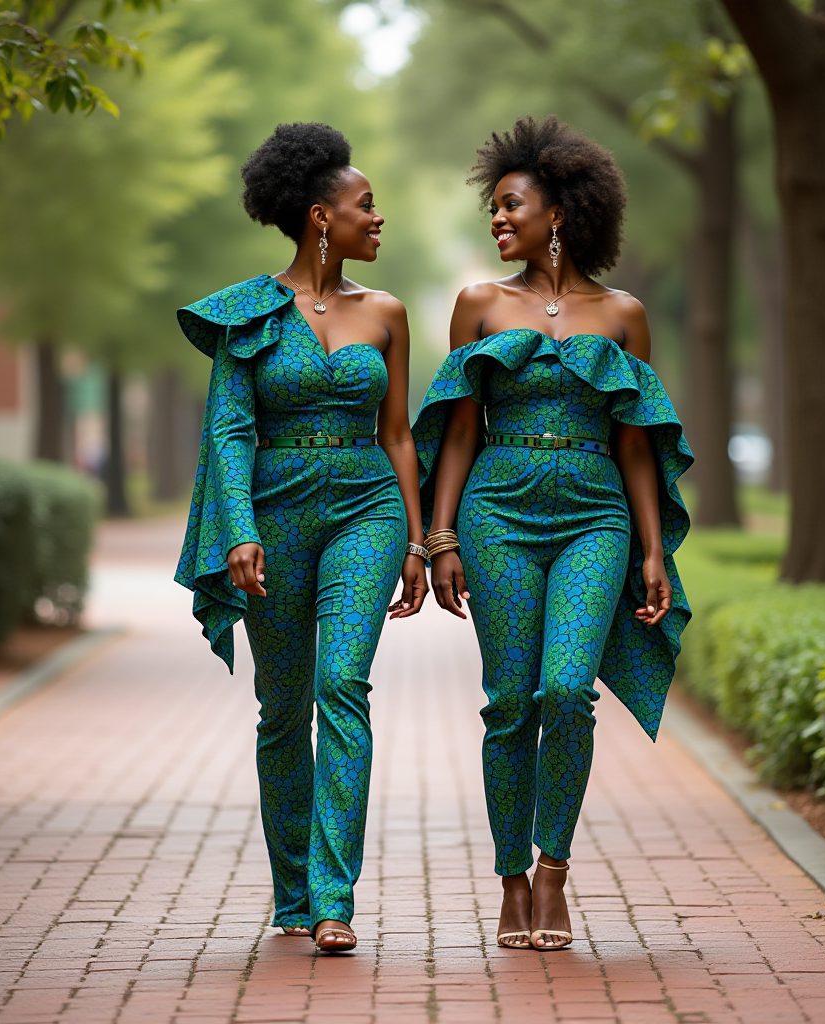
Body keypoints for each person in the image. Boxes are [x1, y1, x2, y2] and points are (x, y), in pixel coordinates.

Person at [412, 116, 693, 951]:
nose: (497, 221)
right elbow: (458, 430)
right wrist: (441, 535)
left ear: (560, 212)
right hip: (497, 511)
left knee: (567, 691)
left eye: (511, 206)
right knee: (509, 700)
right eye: (492, 210)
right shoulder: (479, 305)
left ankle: (553, 873)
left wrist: (651, 550)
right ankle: (508, 880)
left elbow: (637, 442)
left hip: (596, 515)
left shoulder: (625, 316)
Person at [175, 122, 428, 953]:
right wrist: (238, 530)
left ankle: (332, 899)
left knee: (343, 688)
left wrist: (420, 540)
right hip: (273, 515)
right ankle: (291, 892)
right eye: (366, 205)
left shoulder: (386, 313)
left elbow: (399, 436)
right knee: (283, 711)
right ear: (321, 217)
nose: (377, 217)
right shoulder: (250, 313)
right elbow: (230, 431)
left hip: (367, 510)